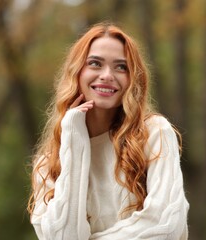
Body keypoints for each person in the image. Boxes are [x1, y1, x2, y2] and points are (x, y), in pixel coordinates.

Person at [27, 22, 189, 240]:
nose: (107, 75)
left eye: (121, 67)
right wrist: (74, 142)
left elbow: (166, 225)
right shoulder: (47, 165)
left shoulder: (154, 133)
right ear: (77, 72)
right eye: (95, 63)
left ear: (132, 79)